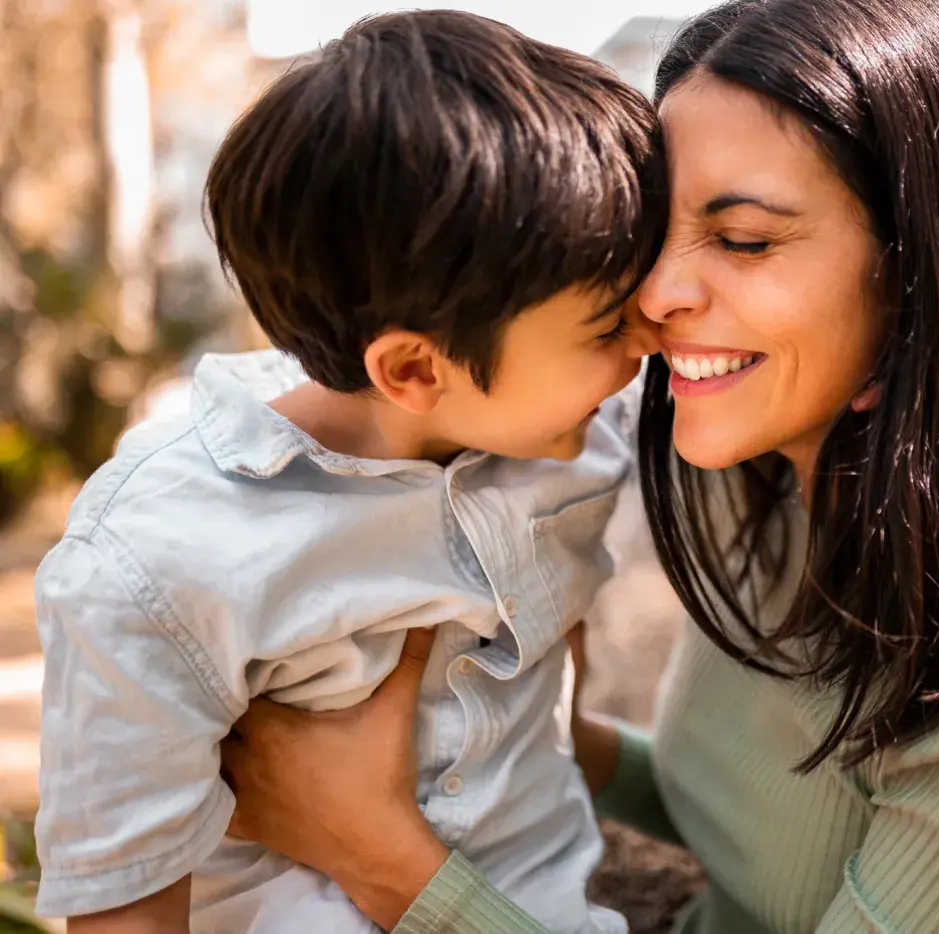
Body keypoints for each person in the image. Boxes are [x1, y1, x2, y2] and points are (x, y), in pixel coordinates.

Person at [221, 1, 939, 932]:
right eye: (652, 234)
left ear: (916, 275)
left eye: (744, 240)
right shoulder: (758, 487)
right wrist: (544, 739)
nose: (655, 294)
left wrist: (376, 853)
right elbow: (762, 825)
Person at [30, 11, 665, 933]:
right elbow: (126, 909)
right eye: (608, 326)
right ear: (413, 370)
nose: (647, 342)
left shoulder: (570, 446)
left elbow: (557, 690)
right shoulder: (163, 562)